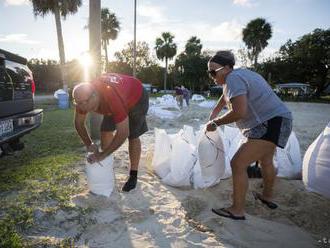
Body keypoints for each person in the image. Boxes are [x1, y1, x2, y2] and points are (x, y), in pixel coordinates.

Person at [206, 50, 292, 220]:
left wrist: (216, 123)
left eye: (213, 71)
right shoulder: (241, 75)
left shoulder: (233, 79)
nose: (211, 76)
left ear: (227, 68)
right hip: (279, 120)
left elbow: (239, 112)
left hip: (267, 123)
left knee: (238, 163)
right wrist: (214, 113)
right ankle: (267, 197)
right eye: (209, 72)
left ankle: (237, 210)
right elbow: (224, 99)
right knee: (267, 161)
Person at [73, 73, 149, 192]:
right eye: (79, 104)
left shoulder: (112, 96)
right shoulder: (83, 98)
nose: (84, 108)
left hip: (136, 97)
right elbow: (79, 123)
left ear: (95, 95)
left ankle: (133, 175)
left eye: (86, 103)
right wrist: (89, 144)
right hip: (116, 98)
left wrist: (102, 154)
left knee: (133, 135)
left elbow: (123, 132)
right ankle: (107, 168)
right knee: (105, 131)